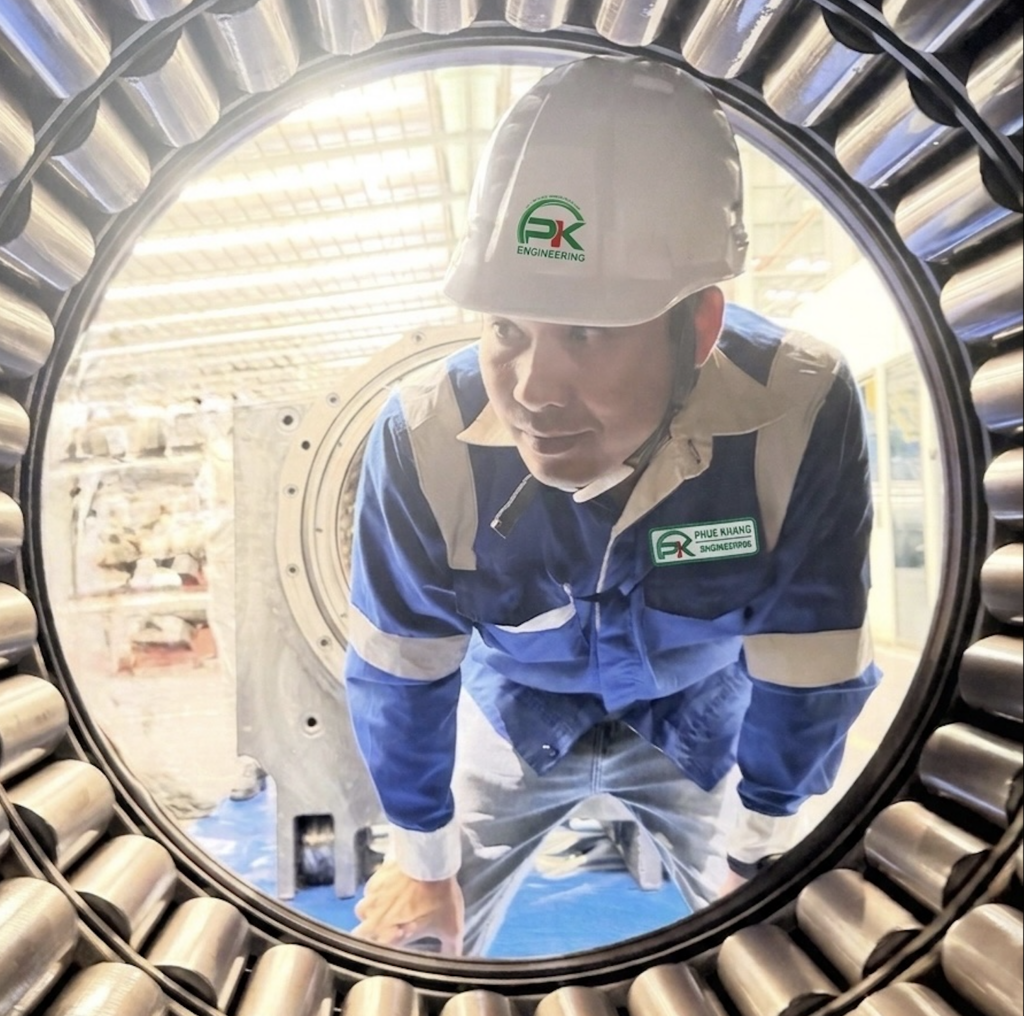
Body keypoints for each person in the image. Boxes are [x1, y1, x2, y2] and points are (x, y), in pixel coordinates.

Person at [343, 55, 880, 956]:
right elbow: (401, 670)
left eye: (587, 333)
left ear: (698, 328)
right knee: (414, 943)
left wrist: (759, 842)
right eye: (507, 328)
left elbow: (813, 664)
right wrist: (424, 858)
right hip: (517, 710)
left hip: (700, 710)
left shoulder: (798, 411)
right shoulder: (424, 436)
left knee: (775, 941)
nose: (532, 391)